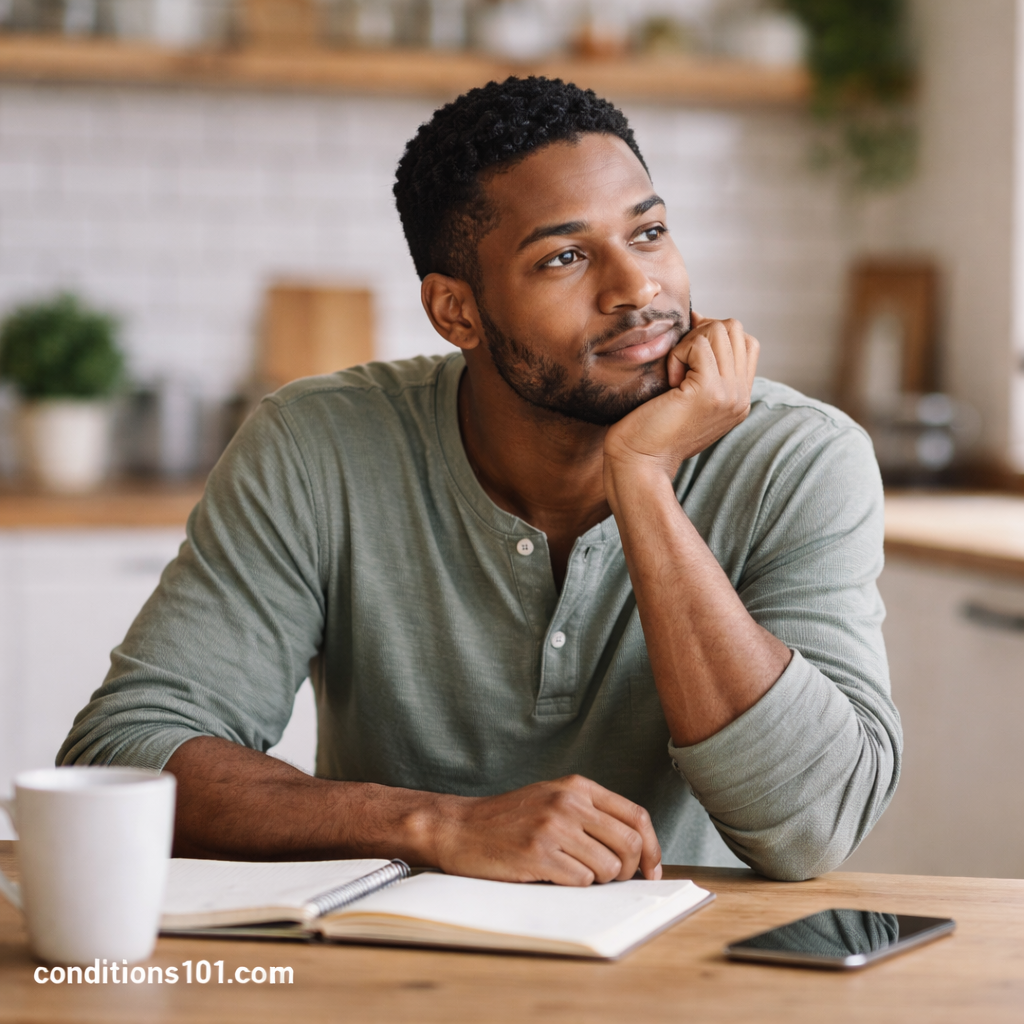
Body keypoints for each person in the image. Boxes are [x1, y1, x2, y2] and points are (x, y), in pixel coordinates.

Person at [60, 77, 900, 885]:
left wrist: (641, 478)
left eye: (648, 233)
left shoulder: (799, 459)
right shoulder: (317, 445)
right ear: (456, 311)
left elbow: (812, 827)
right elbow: (123, 756)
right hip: (383, 960)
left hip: (689, 973)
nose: (638, 288)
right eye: (566, 256)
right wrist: (439, 826)